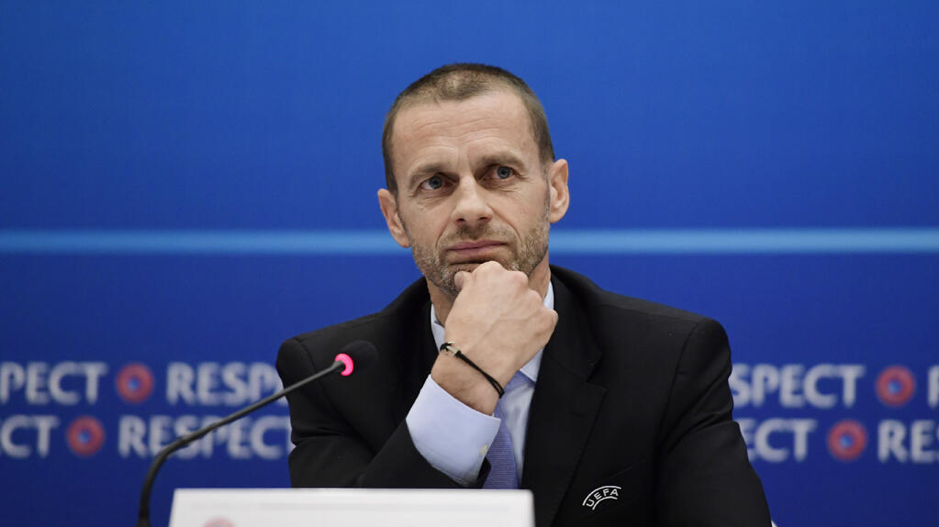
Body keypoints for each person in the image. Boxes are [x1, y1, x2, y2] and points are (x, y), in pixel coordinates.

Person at [277, 63, 771, 526]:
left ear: (556, 192)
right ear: (395, 218)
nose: (471, 208)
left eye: (500, 173)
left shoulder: (668, 358)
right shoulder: (334, 376)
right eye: (435, 183)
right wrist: (465, 380)